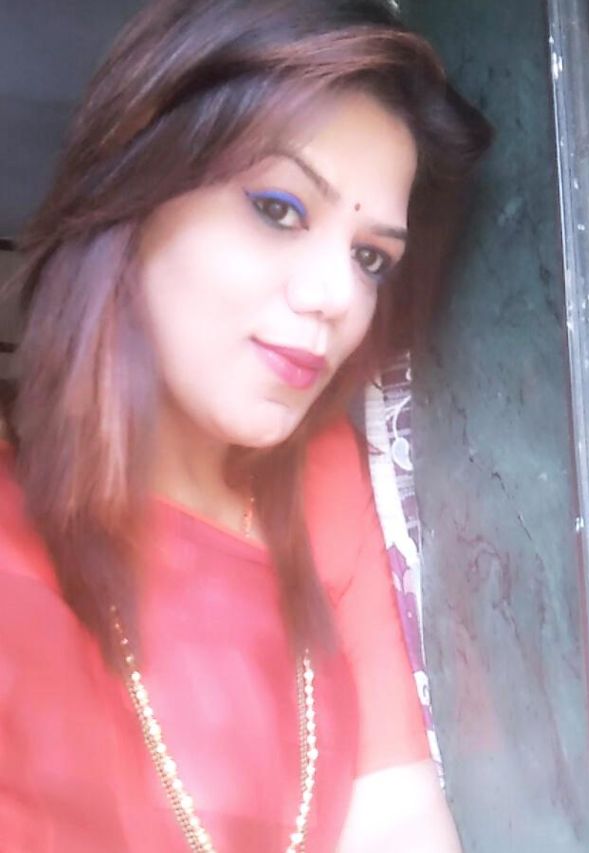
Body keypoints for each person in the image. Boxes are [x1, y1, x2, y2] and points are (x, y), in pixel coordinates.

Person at [0, 1, 491, 850]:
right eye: (278, 208)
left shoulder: (323, 475)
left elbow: (400, 813)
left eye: (370, 257)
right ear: (137, 188)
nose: (337, 296)